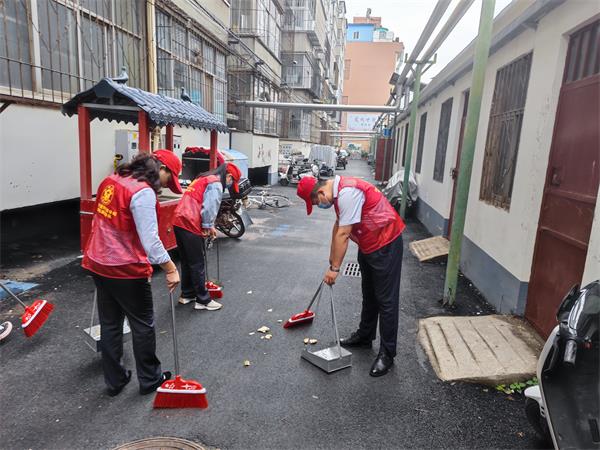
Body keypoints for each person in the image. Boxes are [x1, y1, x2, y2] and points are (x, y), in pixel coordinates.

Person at [82, 150, 181, 396]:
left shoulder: (111, 180)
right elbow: (151, 241)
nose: (166, 185)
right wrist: (170, 268)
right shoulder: (143, 193)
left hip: (98, 262)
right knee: (142, 324)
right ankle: (150, 379)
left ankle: (115, 381)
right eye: (169, 179)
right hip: (126, 269)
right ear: (161, 170)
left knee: (110, 324)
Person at [297, 175, 405, 377]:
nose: (320, 206)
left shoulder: (347, 193)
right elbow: (337, 227)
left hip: (386, 244)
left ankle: (388, 353)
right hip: (369, 246)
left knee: (386, 301)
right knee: (369, 295)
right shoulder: (338, 194)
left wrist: (335, 269)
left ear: (321, 192)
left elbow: (344, 234)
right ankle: (365, 336)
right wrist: (332, 259)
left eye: (316, 203)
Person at [173, 162, 241, 311]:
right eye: (231, 182)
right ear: (229, 176)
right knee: (198, 263)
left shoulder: (203, 178)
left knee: (187, 261)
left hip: (179, 221)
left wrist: (209, 226)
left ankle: (187, 294)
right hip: (190, 222)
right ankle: (203, 300)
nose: (230, 185)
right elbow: (209, 207)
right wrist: (207, 226)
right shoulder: (215, 183)